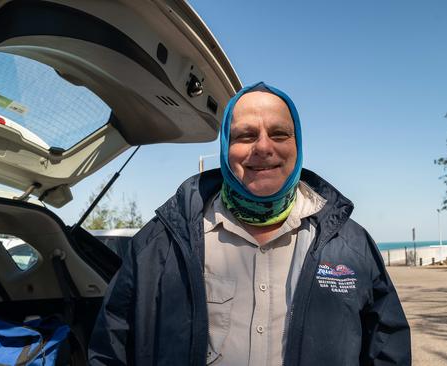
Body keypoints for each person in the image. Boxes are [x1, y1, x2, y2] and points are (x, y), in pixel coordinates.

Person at [88, 82, 411, 366]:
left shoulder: (350, 244)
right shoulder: (159, 243)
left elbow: (387, 346)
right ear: (225, 148)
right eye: (245, 135)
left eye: (279, 133)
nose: (263, 147)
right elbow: (112, 345)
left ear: (297, 146)